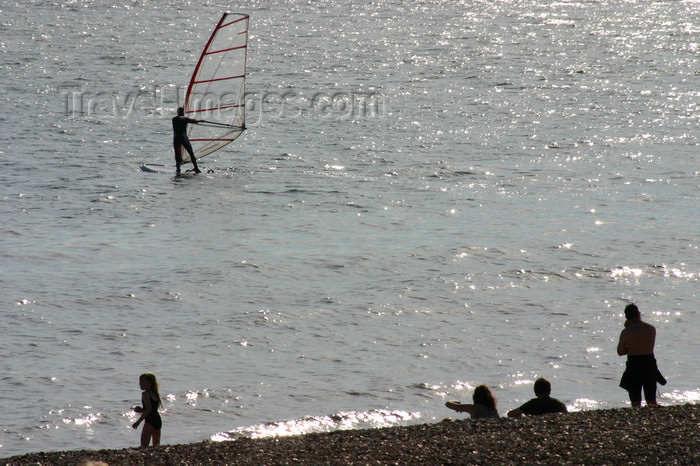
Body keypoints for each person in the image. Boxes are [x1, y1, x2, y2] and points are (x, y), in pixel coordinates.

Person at [617, 303, 666, 407]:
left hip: (633, 364)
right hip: (649, 363)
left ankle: (636, 418)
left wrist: (630, 348)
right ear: (639, 314)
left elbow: (620, 352)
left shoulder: (626, 332)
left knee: (635, 401)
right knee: (651, 399)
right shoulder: (651, 329)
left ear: (626, 317)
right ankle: (653, 417)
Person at [132, 372, 163, 447]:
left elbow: (149, 409)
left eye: (142, 382)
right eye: (140, 382)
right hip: (158, 420)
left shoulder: (146, 394)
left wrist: (138, 422)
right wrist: (142, 410)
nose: (140, 384)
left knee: (144, 446)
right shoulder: (155, 393)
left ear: (150, 383)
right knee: (156, 446)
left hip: (150, 421)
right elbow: (152, 409)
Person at [172, 107, 203, 175]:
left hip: (176, 138)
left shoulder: (174, 119)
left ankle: (178, 169)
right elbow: (193, 121)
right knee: (191, 153)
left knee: (177, 154)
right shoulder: (185, 119)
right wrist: (200, 120)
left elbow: (186, 120)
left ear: (177, 112)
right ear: (183, 112)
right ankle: (196, 168)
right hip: (183, 138)